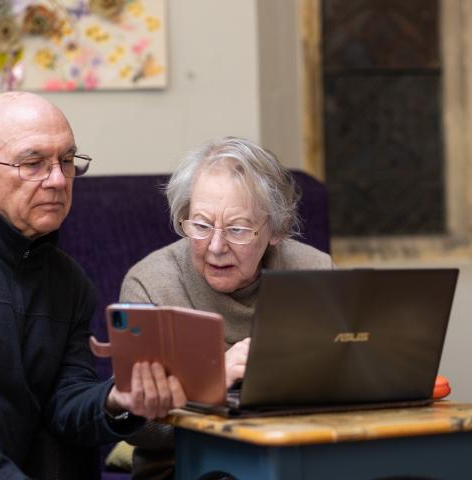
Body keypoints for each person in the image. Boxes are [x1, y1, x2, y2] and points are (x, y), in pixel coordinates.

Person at [0, 91, 186, 479]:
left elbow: (66, 403)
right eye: (33, 163)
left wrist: (117, 400)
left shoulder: (71, 282)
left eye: (66, 161)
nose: (57, 180)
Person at [118, 136, 334, 479]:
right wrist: (211, 387)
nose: (216, 247)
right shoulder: (151, 284)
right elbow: (137, 427)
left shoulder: (315, 273)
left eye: (237, 229)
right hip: (186, 466)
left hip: (299, 458)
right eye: (201, 225)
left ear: (275, 228)